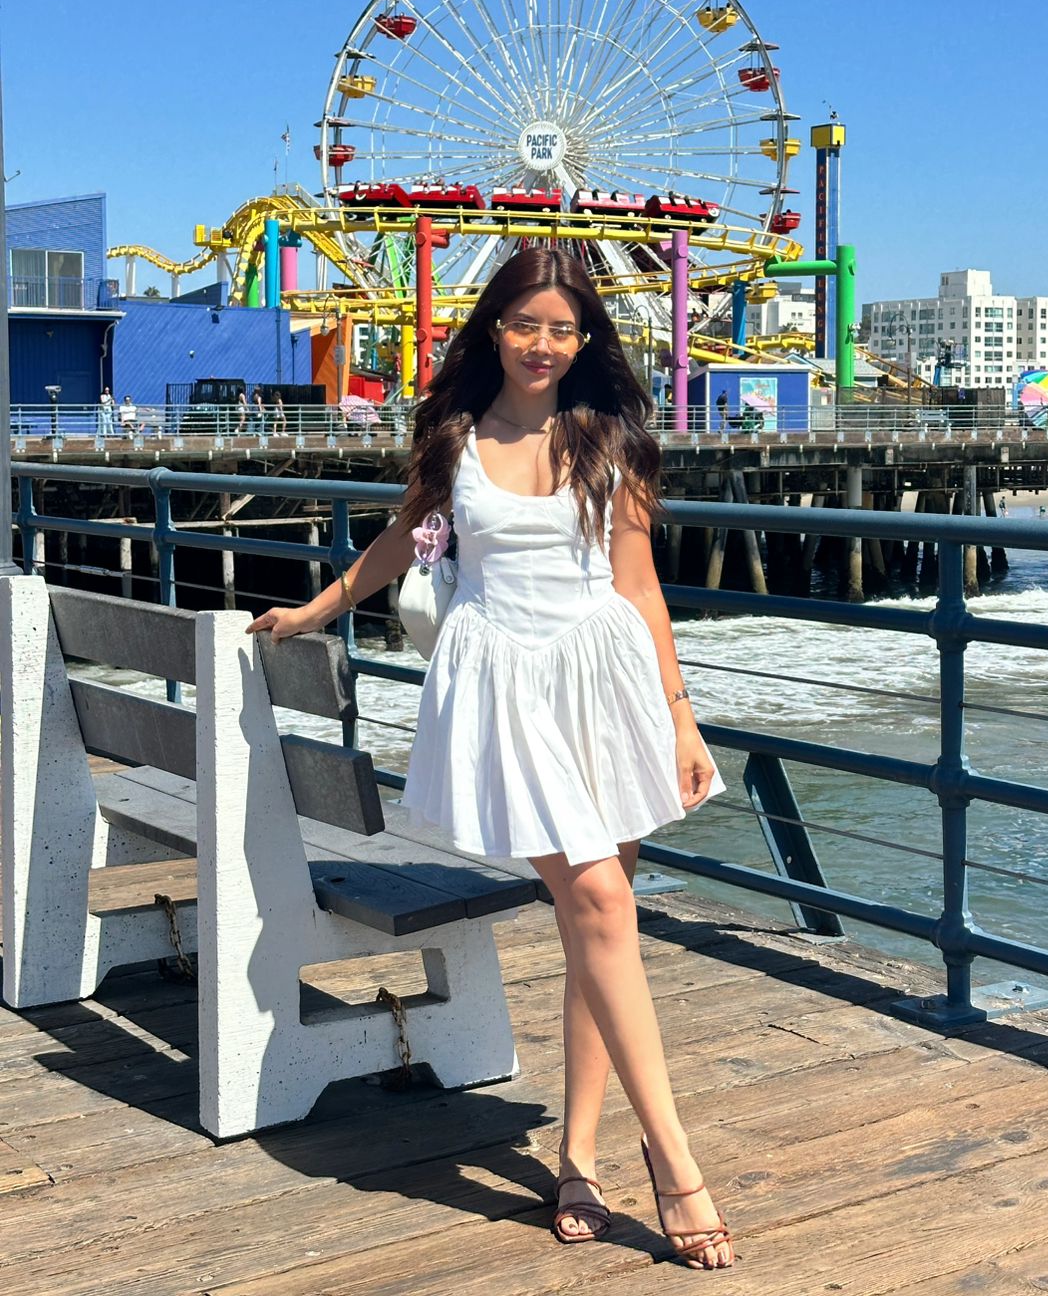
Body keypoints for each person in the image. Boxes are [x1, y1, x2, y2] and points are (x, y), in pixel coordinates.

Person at [248, 248, 734, 1268]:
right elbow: (399, 540)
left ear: (586, 340)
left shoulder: (610, 440)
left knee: (595, 924)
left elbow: (640, 589)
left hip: (604, 682)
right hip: (507, 689)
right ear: (495, 327)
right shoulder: (454, 438)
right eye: (526, 324)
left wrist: (680, 717)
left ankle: (579, 1157)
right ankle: (677, 1159)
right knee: (601, 905)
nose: (544, 345)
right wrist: (315, 610)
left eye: (563, 329)